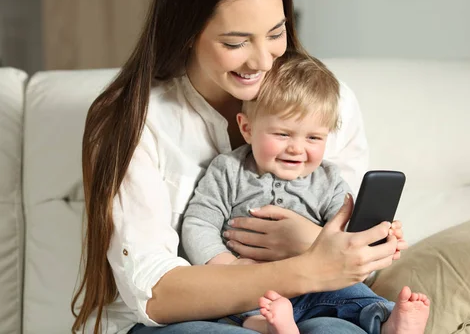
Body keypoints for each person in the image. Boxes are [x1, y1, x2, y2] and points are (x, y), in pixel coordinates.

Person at [71, 0, 407, 333]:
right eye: (235, 42)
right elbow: (155, 293)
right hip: (181, 321)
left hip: (306, 309)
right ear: (186, 33)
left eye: (276, 32)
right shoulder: (133, 121)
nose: (263, 60)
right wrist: (308, 266)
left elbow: (348, 258)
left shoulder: (330, 103)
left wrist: (317, 243)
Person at [181, 52, 430, 334]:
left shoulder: (328, 180)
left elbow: (346, 237)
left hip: (318, 286)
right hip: (252, 286)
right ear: (247, 128)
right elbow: (198, 222)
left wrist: (376, 239)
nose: (297, 148)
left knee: (353, 294)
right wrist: (228, 265)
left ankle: (386, 321)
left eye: (313, 138)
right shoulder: (229, 170)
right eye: (283, 134)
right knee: (230, 305)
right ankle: (271, 325)